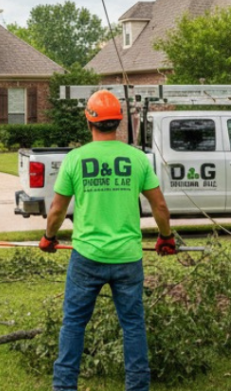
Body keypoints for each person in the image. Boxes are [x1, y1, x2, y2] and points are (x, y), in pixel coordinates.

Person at [40, 90, 176, 391]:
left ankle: (64, 387)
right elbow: (160, 207)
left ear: (89, 120)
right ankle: (138, 387)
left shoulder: (75, 159)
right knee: (133, 326)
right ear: (118, 122)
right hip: (128, 258)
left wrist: (49, 237)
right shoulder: (137, 159)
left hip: (86, 257)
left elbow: (57, 210)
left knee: (74, 324)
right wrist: (166, 237)